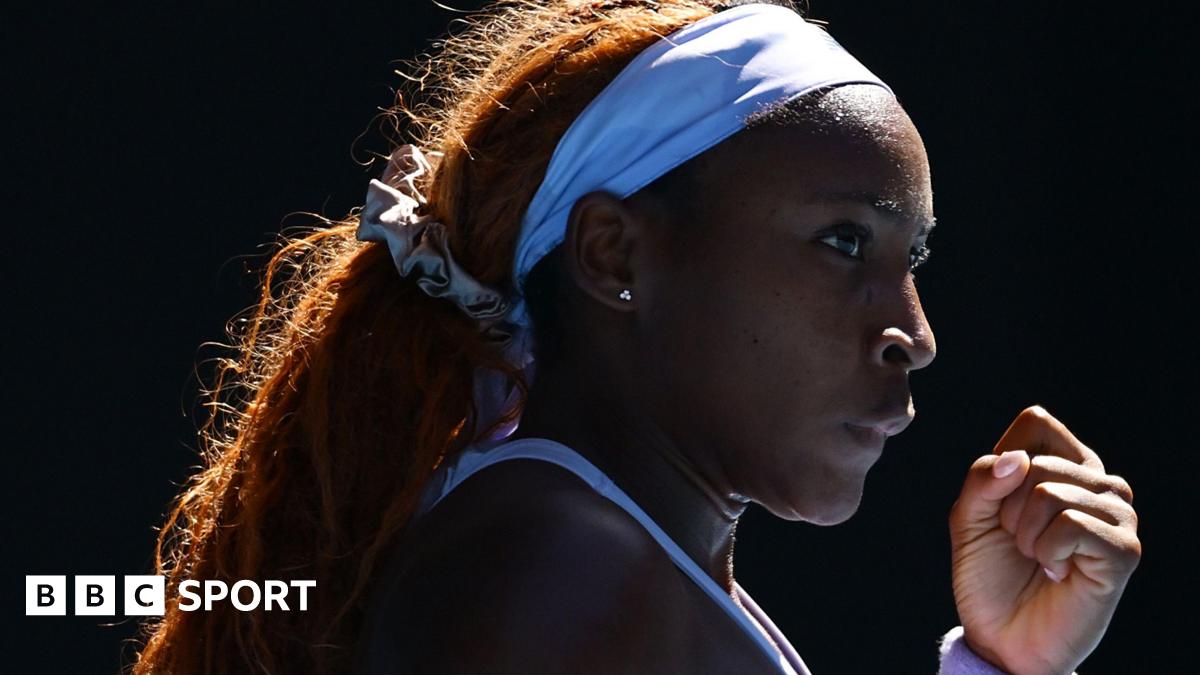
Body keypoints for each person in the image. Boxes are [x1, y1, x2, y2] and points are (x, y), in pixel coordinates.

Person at [131, 1, 1141, 673]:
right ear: (615, 254)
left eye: (909, 259)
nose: (914, 335)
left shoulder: (593, 568)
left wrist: (1003, 663)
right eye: (844, 241)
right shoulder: (564, 580)